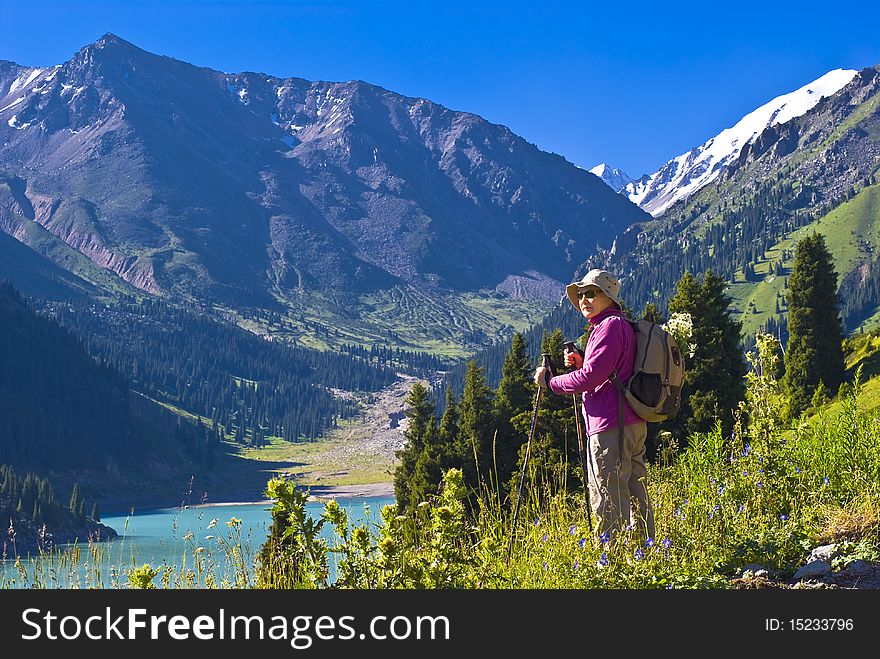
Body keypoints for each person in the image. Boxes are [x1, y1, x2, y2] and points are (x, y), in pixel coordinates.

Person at [534, 269, 654, 542]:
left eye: (591, 293)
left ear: (608, 297)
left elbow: (591, 378)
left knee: (608, 493)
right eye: (581, 295)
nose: (584, 299)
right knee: (635, 488)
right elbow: (607, 370)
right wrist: (583, 361)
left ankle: (611, 562)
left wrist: (551, 382)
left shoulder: (609, 327)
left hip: (610, 423)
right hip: (631, 421)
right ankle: (645, 553)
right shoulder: (618, 324)